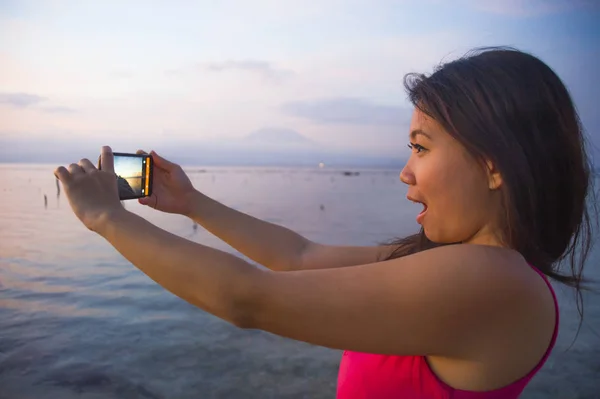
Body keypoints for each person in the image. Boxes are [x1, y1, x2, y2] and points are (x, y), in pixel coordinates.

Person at [54, 47, 596, 398]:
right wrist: (192, 203)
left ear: (492, 164)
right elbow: (297, 259)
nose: (405, 172)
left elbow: (250, 299)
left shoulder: (495, 283)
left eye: (420, 147)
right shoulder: (454, 267)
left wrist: (106, 217)